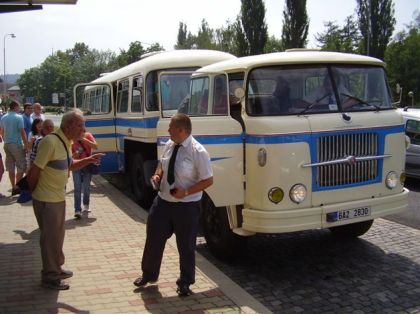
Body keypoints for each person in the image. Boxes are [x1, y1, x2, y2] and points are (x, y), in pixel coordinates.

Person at [134, 113, 213, 297]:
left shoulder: (198, 151)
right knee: (153, 239)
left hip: (186, 207)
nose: (168, 130)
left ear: (182, 129)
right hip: (162, 203)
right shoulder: (170, 145)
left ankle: (185, 282)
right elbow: (162, 165)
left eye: (171, 127)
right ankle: (149, 274)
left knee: (186, 246)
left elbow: (208, 180)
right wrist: (157, 175)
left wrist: (185, 191)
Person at [26, 109, 104, 290]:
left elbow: (68, 165)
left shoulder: (66, 141)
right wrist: (35, 193)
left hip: (57, 198)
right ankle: (50, 277)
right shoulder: (50, 142)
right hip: (47, 200)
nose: (83, 130)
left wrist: (89, 159)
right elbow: (34, 171)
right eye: (80, 126)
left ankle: (57, 267)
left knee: (58, 236)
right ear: (69, 126)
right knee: (49, 240)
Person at [0, 100, 28, 195]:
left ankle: (13, 186)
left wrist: (5, 140)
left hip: (7, 144)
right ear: (15, 107)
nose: (19, 108)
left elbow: (1, 131)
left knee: (10, 167)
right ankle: (16, 186)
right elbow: (22, 132)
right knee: (21, 165)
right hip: (16, 144)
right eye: (19, 107)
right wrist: (26, 145)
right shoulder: (19, 117)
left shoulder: (3, 117)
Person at [71, 130, 98, 219]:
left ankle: (86, 204)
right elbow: (71, 156)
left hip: (87, 166)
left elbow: (95, 146)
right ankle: (77, 210)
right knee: (77, 189)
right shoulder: (72, 138)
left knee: (86, 188)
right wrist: (76, 153)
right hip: (77, 166)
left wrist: (83, 140)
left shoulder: (88, 135)